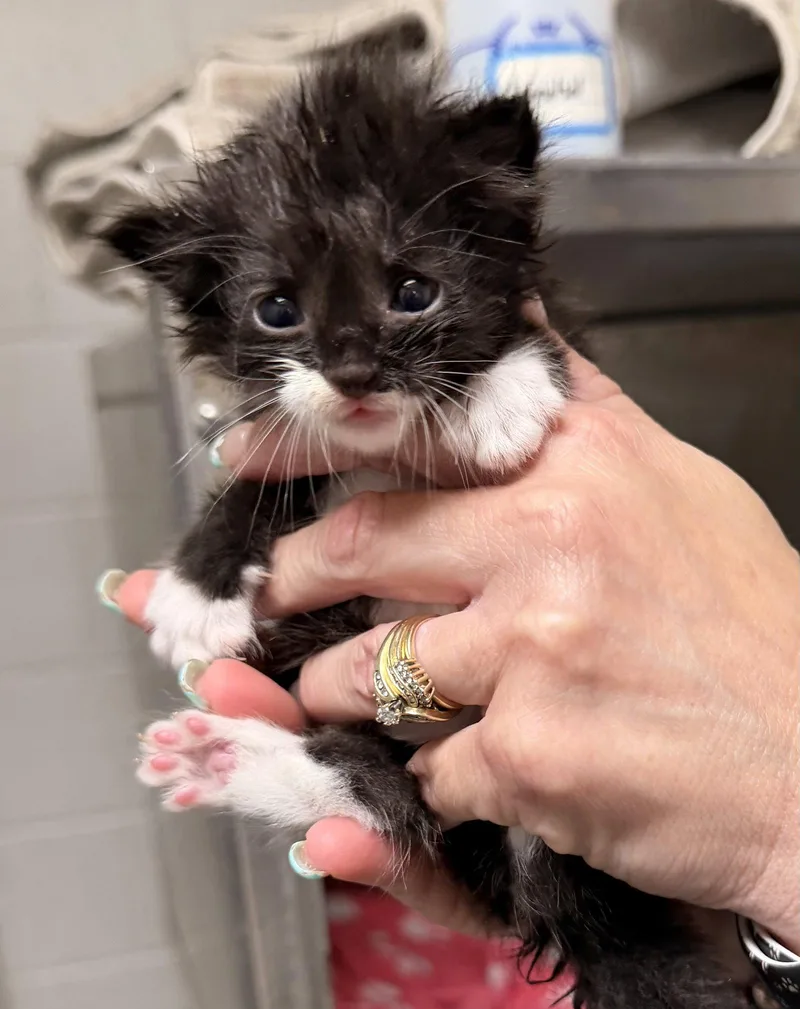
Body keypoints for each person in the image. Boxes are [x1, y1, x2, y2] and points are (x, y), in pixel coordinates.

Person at [106, 332, 800, 960]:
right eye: (281, 313)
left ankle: (353, 784)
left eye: (411, 294)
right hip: (463, 790)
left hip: (524, 824)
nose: (352, 368)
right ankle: (348, 781)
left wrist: (773, 844)